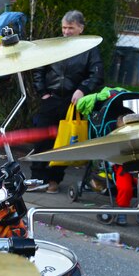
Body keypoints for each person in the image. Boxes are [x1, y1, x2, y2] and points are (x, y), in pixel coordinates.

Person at [28, 10, 104, 193]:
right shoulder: (54, 45)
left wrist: (82, 89)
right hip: (51, 98)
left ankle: (54, 179)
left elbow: (97, 73)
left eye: (71, 27)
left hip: (72, 102)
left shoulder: (89, 49)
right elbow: (38, 69)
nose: (66, 31)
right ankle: (37, 178)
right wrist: (43, 93)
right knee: (42, 138)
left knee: (63, 142)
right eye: (64, 27)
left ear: (81, 28)